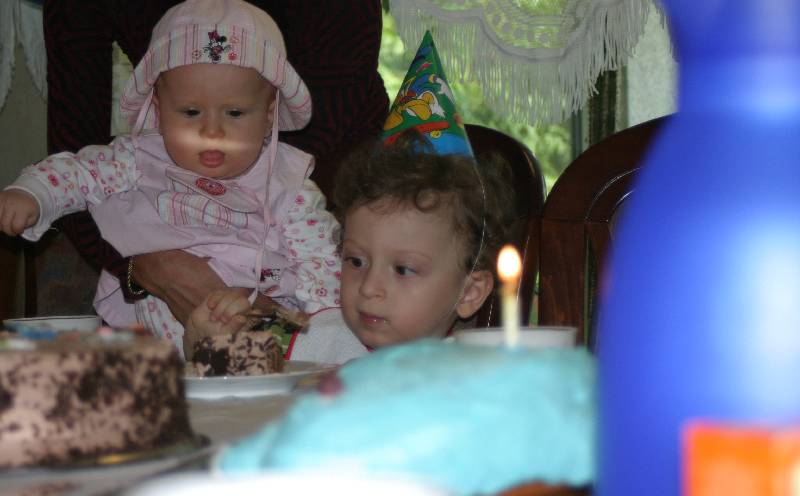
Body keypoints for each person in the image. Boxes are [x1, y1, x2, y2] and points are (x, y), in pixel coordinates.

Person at [0, 0, 341, 356]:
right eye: (191, 112)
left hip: (258, 338)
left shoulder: (290, 188)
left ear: (269, 114)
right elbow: (76, 171)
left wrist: (311, 331)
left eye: (235, 112)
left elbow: (323, 269)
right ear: (159, 110)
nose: (212, 131)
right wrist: (33, 193)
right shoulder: (138, 159)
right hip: (152, 346)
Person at [183, 131, 512, 362]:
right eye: (356, 261)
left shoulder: (473, 381)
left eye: (402, 269)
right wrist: (207, 345)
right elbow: (235, 402)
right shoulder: (306, 337)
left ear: (469, 293)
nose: (368, 288)